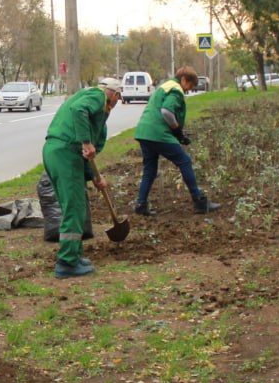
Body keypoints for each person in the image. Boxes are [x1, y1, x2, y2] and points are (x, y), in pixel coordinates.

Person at [42, 77, 122, 278]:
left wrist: (95, 177)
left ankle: (75, 254)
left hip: (60, 153)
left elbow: (89, 157)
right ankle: (67, 263)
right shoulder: (98, 94)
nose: (116, 103)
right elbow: (79, 110)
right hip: (65, 153)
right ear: (114, 94)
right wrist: (86, 142)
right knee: (74, 208)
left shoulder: (98, 122)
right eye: (118, 98)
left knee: (74, 206)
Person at [132, 66, 221, 216]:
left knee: (149, 170)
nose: (189, 90)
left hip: (144, 132)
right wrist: (177, 131)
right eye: (190, 85)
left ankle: (141, 205)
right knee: (184, 161)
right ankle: (199, 200)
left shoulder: (165, 86)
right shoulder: (176, 90)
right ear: (184, 80)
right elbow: (166, 111)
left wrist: (178, 131)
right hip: (158, 133)